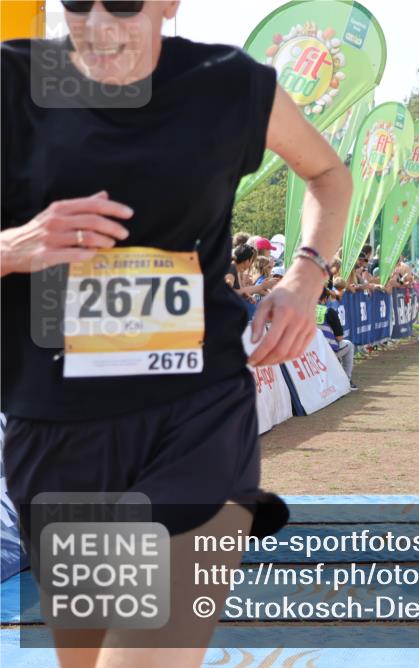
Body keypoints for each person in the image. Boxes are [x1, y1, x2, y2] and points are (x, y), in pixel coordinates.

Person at [0, 3, 352, 666]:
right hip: (57, 436)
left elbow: (330, 176)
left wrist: (306, 278)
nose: (100, 23)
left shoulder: (228, 84)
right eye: (78, 1)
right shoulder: (14, 85)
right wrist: (15, 246)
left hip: (197, 422)